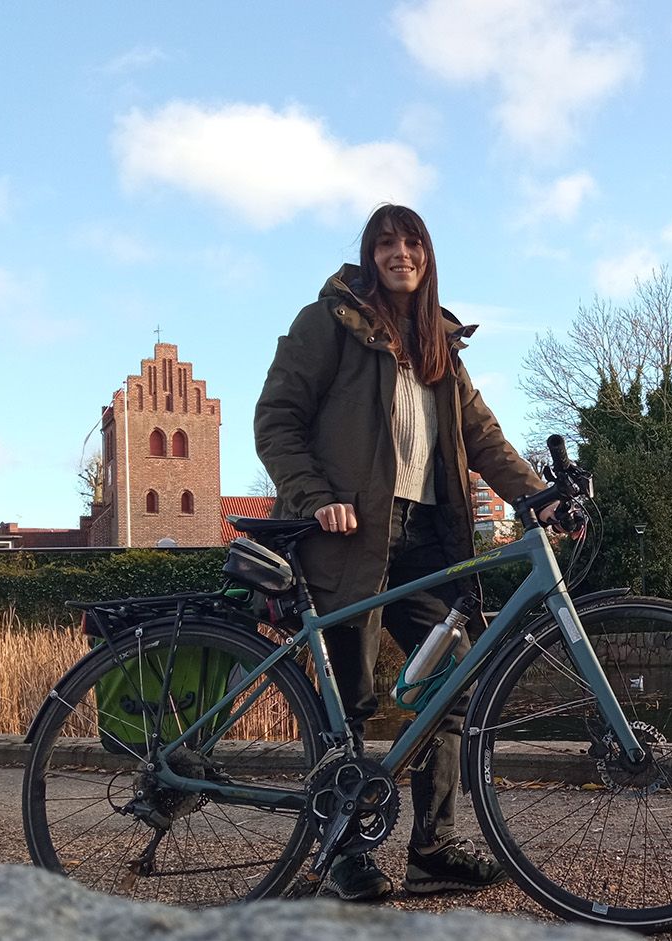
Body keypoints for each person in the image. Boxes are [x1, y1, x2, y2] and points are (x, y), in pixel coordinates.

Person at [254, 204, 551, 901]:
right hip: (347, 534)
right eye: (385, 242)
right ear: (369, 255)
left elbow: (484, 437)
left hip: (425, 537)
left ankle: (432, 847)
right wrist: (313, 494)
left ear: (427, 254)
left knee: (453, 679)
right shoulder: (329, 321)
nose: (400, 252)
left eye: (411, 240)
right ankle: (342, 854)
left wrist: (538, 496)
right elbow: (276, 420)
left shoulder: (439, 342)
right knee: (346, 702)